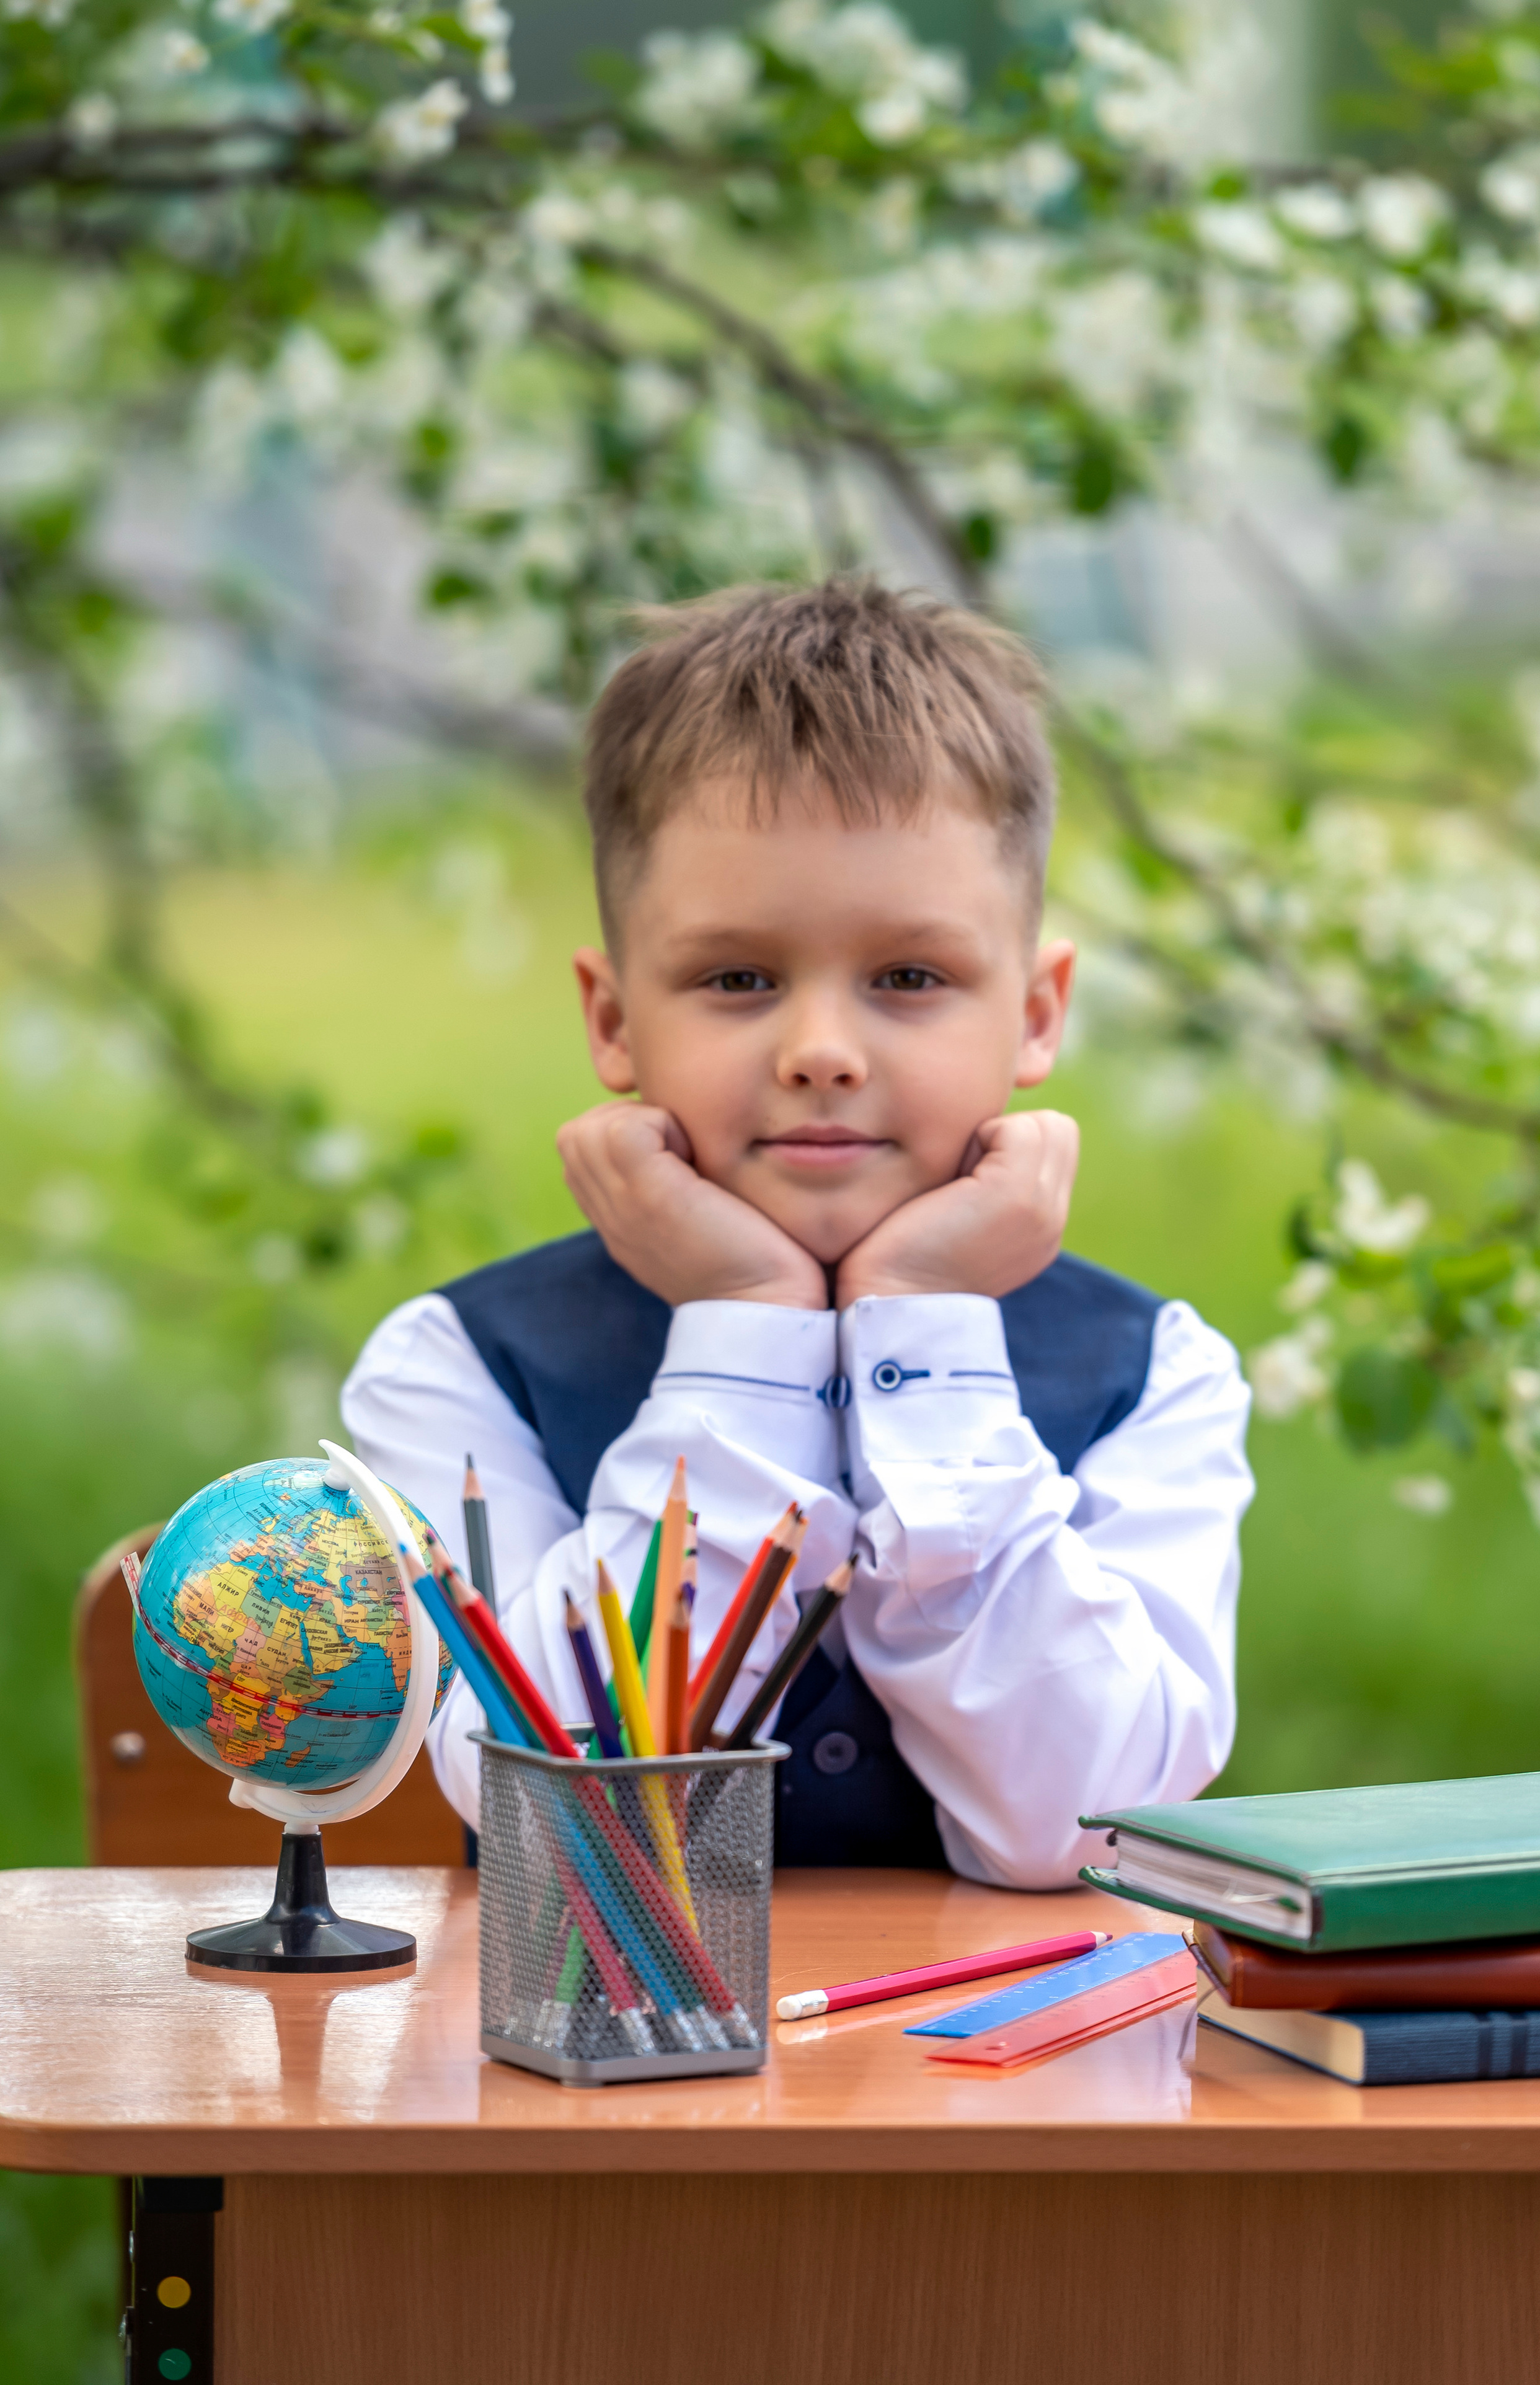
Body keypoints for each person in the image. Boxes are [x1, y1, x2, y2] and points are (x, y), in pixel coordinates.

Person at [343, 578, 1253, 1889]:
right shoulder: (456, 1367)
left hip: (1019, 2091)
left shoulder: (1153, 1372)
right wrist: (743, 1327)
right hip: (609, 2089)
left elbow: (1084, 1827)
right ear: (611, 1019)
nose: (820, 1051)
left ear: (1036, 1012)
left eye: (907, 978)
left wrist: (927, 1334)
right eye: (737, 979)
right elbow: (562, 1816)